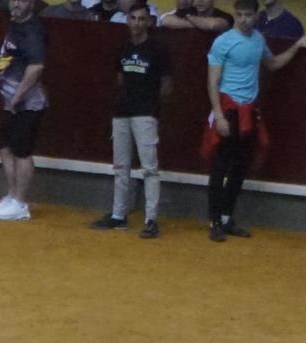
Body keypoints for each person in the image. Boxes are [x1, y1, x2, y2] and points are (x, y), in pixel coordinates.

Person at [203, 1, 306, 240]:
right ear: (235, 14)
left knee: (240, 167)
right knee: (221, 165)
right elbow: (213, 81)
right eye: (239, 14)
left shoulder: (258, 40)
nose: (243, 19)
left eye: (248, 15)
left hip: (249, 112)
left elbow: (272, 64)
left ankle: (226, 218)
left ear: (255, 16)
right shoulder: (223, 42)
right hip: (229, 109)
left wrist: (297, 45)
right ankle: (214, 221)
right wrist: (219, 115)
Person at [91, 5, 172, 237]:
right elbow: (120, 78)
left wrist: (152, 104)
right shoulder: (123, 47)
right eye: (133, 18)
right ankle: (119, 215)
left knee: (149, 167)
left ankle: (151, 219)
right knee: (121, 166)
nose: (137, 23)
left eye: (141, 19)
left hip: (145, 112)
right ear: (127, 20)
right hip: (123, 111)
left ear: (149, 22)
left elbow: (166, 83)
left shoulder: (157, 49)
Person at [0, 0, 47, 222]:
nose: (15, 4)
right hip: (11, 102)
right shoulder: (16, 17)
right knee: (4, 146)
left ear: (31, 4)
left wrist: (17, 97)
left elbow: (37, 66)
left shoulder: (32, 30)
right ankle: (12, 196)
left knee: (22, 151)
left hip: (27, 103)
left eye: (21, 1)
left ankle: (21, 203)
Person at [160, 0, 230, 30]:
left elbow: (214, 25)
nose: (200, 0)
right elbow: (166, 20)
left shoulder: (224, 16)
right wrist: (200, 25)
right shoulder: (189, 11)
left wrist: (190, 19)